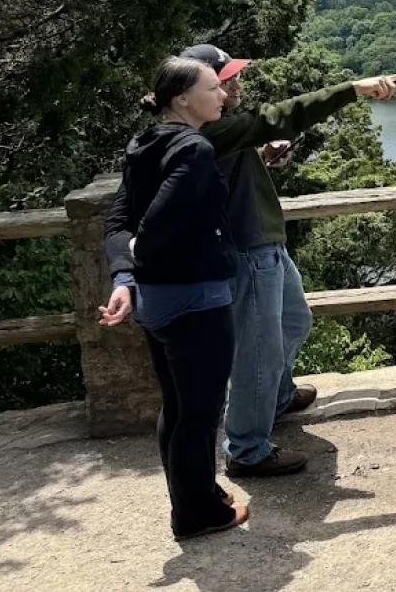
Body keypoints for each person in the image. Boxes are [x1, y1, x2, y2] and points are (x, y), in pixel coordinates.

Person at [176, 44, 396, 478]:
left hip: (266, 245)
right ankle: (246, 448)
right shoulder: (209, 131)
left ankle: (277, 397)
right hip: (248, 252)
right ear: (195, 88)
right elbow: (281, 116)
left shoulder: (218, 130)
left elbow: (227, 176)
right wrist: (352, 89)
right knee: (258, 351)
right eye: (224, 80)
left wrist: (262, 158)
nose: (235, 85)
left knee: (294, 323)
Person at [99, 57, 247, 540]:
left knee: (179, 408)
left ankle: (200, 494)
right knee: (201, 413)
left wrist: (125, 277)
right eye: (213, 87)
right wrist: (145, 246)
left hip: (154, 302)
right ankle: (198, 514)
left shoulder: (144, 142)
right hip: (195, 296)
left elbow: (118, 217)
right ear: (183, 98)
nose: (223, 95)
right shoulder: (195, 149)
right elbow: (160, 216)